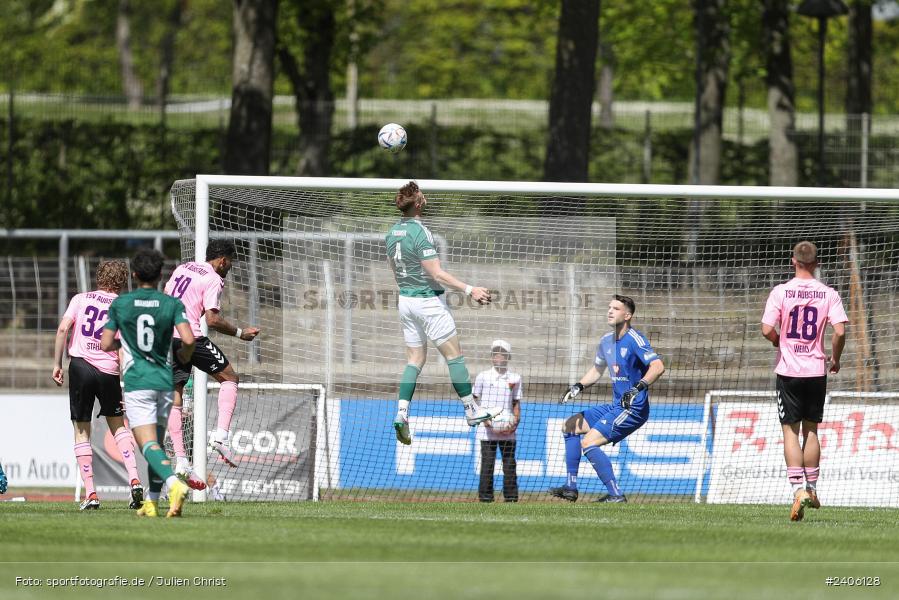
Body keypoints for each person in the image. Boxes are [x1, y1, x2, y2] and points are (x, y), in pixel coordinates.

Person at [385, 181, 502, 445]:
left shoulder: (391, 233)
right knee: (454, 358)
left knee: (414, 360)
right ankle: (471, 411)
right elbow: (436, 273)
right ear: (417, 203)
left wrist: (408, 290)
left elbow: (393, 268)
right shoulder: (421, 233)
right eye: (421, 194)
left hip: (405, 301)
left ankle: (402, 413)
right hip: (428, 304)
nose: (424, 197)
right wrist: (470, 289)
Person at [100, 248, 195, 518]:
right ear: (159, 275)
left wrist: (124, 343)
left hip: (138, 382)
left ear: (134, 274)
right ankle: (152, 502)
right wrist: (183, 356)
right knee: (159, 444)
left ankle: (175, 484)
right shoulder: (171, 304)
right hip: (165, 382)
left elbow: (106, 343)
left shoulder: (122, 304)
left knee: (147, 446)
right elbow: (188, 340)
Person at [761, 241, 847, 522]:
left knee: (790, 432)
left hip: (788, 371)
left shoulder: (780, 291)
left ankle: (797, 488)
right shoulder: (828, 293)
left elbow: (765, 329)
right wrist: (834, 358)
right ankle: (812, 488)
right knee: (812, 431)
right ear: (817, 263)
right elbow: (840, 331)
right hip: (815, 371)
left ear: (792, 261)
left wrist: (779, 342)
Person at [549, 295, 665, 503]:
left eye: (616, 308)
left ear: (627, 315)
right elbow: (597, 369)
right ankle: (570, 487)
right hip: (615, 406)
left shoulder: (635, 339)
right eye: (609, 307)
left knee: (589, 442)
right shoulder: (605, 341)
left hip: (633, 408)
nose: (609, 311)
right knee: (569, 426)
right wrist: (578, 386)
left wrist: (637, 388)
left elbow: (658, 367)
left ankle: (616, 494)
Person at [164, 239, 259, 481]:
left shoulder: (183, 267)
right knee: (230, 377)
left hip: (167, 334)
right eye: (230, 263)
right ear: (223, 260)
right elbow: (212, 320)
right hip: (190, 337)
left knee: (176, 391)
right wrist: (240, 333)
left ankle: (181, 460)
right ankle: (221, 437)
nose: (230, 267)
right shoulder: (213, 279)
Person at [51, 260, 144, 511]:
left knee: (82, 430)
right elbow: (124, 349)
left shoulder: (80, 299)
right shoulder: (123, 306)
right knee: (118, 425)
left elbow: (62, 329)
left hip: (80, 366)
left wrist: (57, 364)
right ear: (122, 281)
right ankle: (135, 479)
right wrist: (126, 384)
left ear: (99, 277)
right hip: (109, 370)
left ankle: (91, 493)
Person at [473, 340, 522, 503]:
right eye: (495, 353)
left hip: (507, 429)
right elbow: (473, 401)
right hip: (487, 429)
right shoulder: (483, 376)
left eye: (502, 353)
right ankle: (486, 498)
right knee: (487, 465)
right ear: (491, 356)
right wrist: (485, 420)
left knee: (509, 464)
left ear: (508, 356)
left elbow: (516, 402)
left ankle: (511, 498)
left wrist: (515, 422)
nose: (499, 356)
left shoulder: (515, 378)